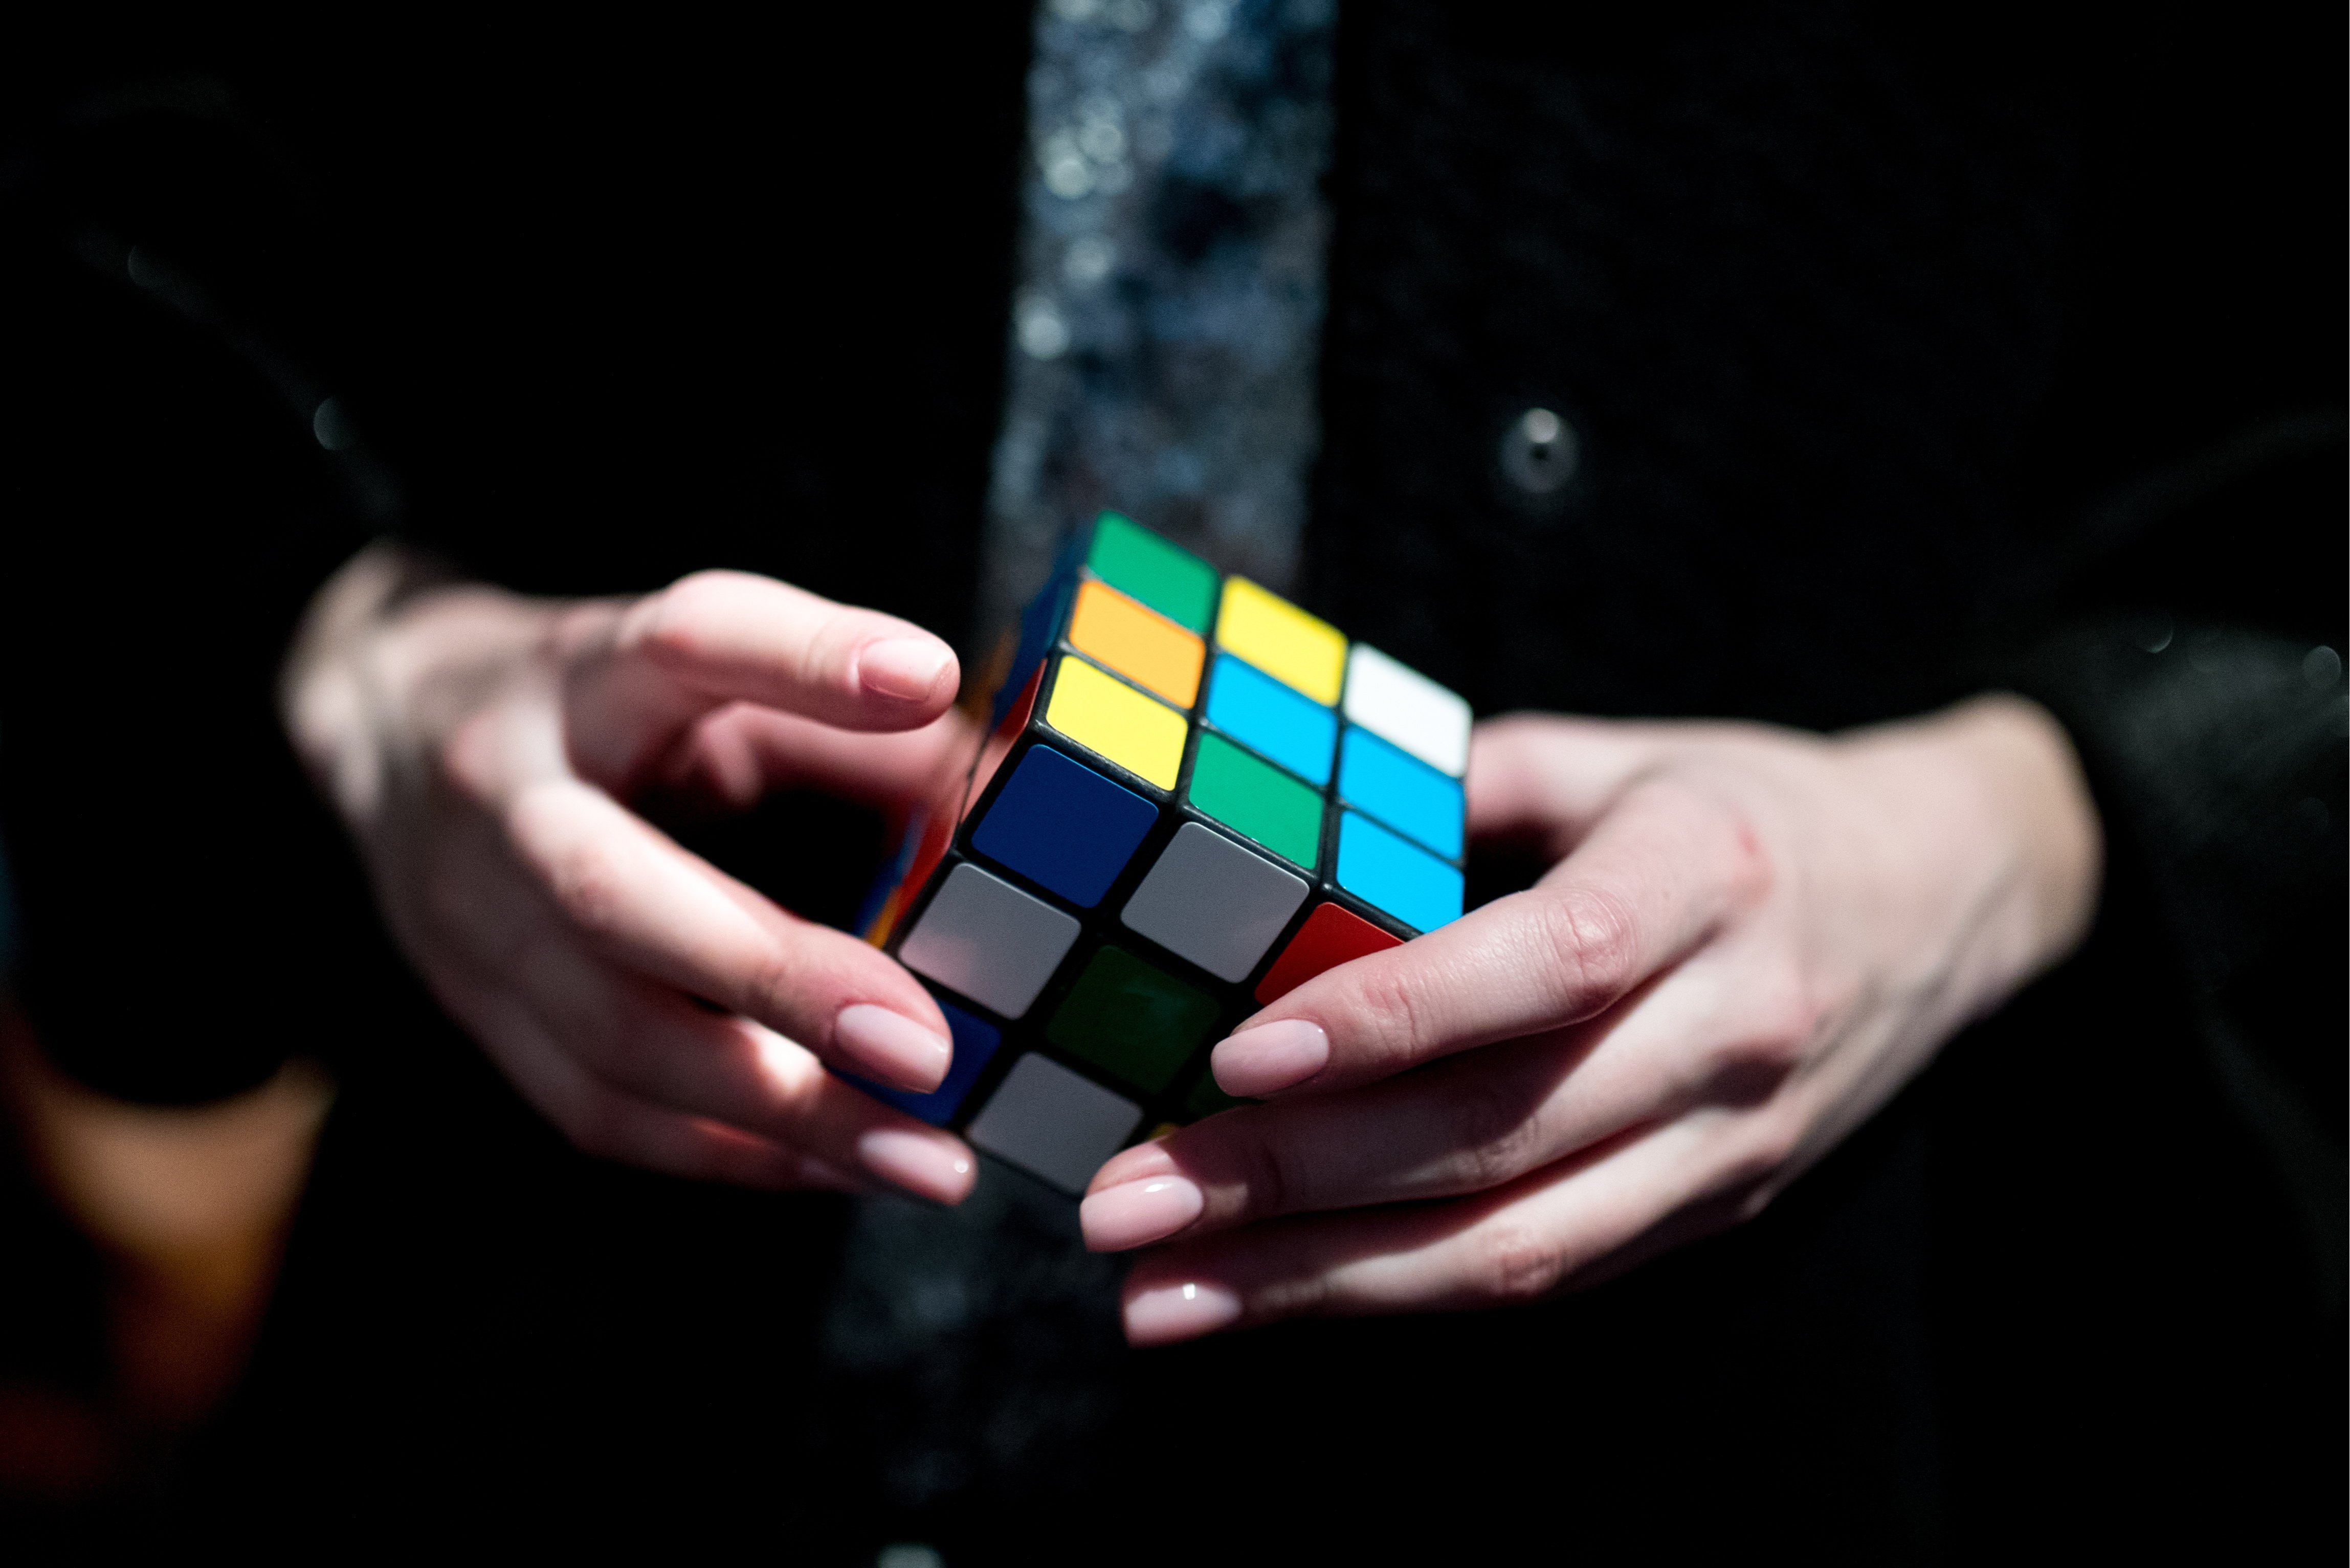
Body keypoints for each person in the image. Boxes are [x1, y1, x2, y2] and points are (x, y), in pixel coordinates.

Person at [1, 6, 2338, 1556]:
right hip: (554, 1364)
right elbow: (122, 163)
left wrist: (2020, 823)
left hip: (1718, 1417)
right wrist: (349, 639)